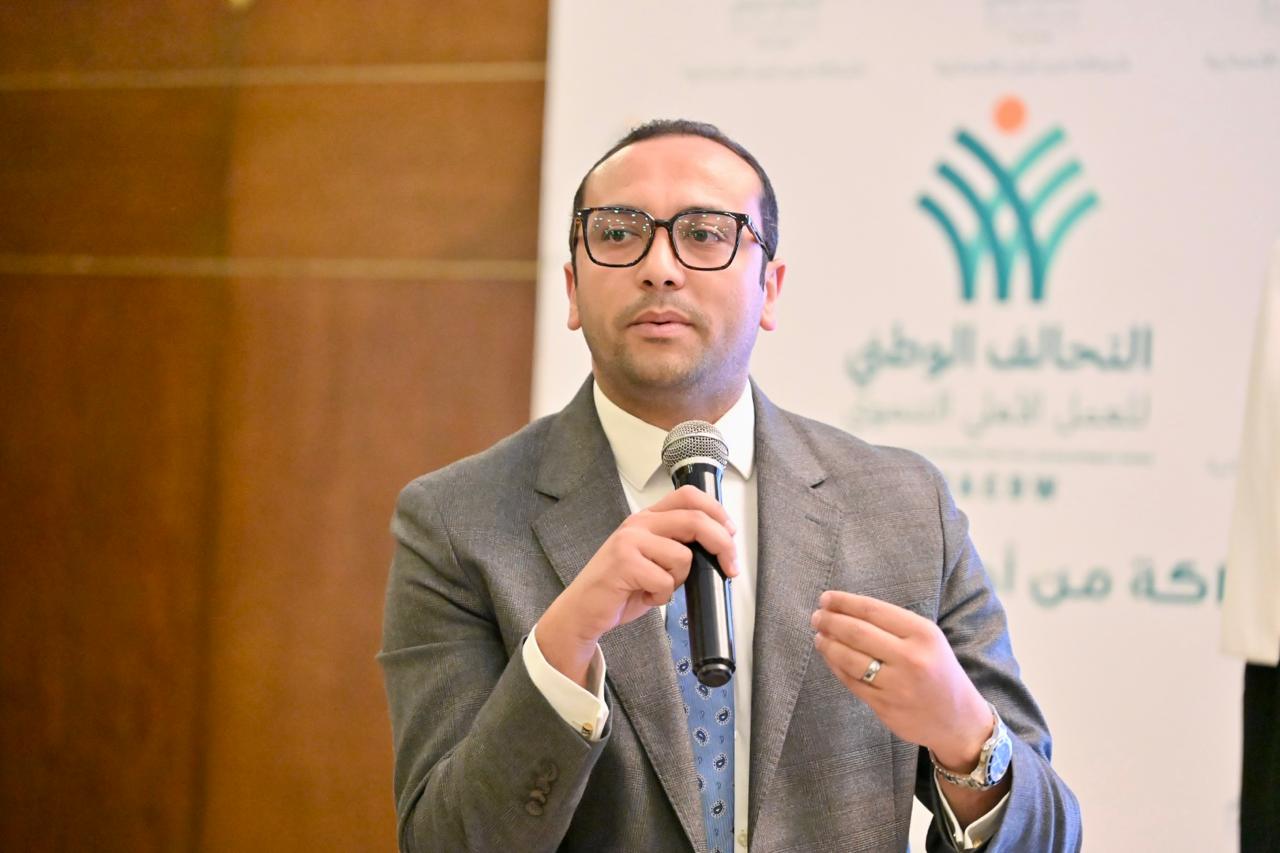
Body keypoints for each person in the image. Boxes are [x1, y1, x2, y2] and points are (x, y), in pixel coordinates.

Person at [380, 119, 1082, 852]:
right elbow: (442, 841)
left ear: (770, 289)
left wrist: (966, 739)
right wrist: (563, 645)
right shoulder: (456, 522)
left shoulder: (904, 506)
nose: (660, 267)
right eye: (618, 234)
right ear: (573, 289)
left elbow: (1050, 835)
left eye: (705, 234)